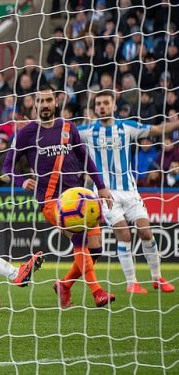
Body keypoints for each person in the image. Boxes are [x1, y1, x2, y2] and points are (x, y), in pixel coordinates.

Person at [3, 87, 116, 308]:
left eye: (48, 100)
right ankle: (97, 292)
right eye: (40, 101)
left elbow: (85, 158)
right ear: (34, 105)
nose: (44, 104)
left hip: (80, 196)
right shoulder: (27, 132)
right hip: (52, 201)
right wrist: (22, 181)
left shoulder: (68, 127)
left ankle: (64, 285)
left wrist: (101, 186)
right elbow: (7, 166)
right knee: (80, 239)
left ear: (56, 103)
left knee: (96, 249)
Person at [77, 90, 177, 293]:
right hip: (105, 193)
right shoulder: (86, 131)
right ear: (95, 108)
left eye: (106, 103)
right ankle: (132, 283)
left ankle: (157, 277)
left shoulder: (127, 127)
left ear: (114, 106)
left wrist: (175, 124)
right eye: (98, 104)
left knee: (146, 231)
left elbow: (157, 130)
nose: (102, 107)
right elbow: (62, 134)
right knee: (123, 233)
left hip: (130, 191)